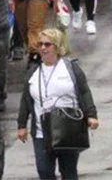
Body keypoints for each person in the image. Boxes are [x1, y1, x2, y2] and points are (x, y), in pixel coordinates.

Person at [17, 28, 99, 180]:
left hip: (68, 128)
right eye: (40, 44)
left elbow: (84, 92)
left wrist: (91, 115)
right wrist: (21, 125)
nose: (42, 48)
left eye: (47, 44)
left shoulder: (70, 68)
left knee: (68, 171)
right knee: (44, 171)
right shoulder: (33, 72)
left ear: (57, 46)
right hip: (42, 131)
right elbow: (26, 99)